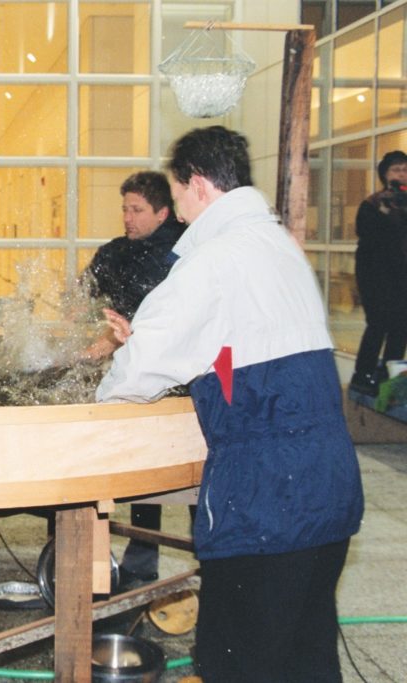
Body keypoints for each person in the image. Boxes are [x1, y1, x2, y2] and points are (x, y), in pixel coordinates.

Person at [97, 126, 364, 682]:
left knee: (236, 663)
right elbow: (240, 349)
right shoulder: (280, 248)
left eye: (178, 196)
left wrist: (106, 392)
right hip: (328, 489)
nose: (180, 213)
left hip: (266, 504)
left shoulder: (211, 259)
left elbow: (136, 374)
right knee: (307, 658)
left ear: (196, 185)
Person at [80, 171, 186, 590]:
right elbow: (81, 297)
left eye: (137, 209)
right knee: (144, 473)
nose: (127, 216)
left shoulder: (181, 255)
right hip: (135, 369)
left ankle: (191, 563)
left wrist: (106, 346)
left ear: (163, 213)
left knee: (175, 474)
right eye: (124, 207)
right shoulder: (117, 252)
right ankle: (141, 564)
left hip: (178, 378)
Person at [350, 149, 407, 396]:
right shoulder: (372, 204)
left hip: (402, 275)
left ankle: (388, 382)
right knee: (378, 324)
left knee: (401, 327)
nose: (402, 174)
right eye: (397, 170)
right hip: (376, 275)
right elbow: (370, 239)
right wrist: (388, 212)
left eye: (405, 170)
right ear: (385, 175)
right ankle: (362, 376)